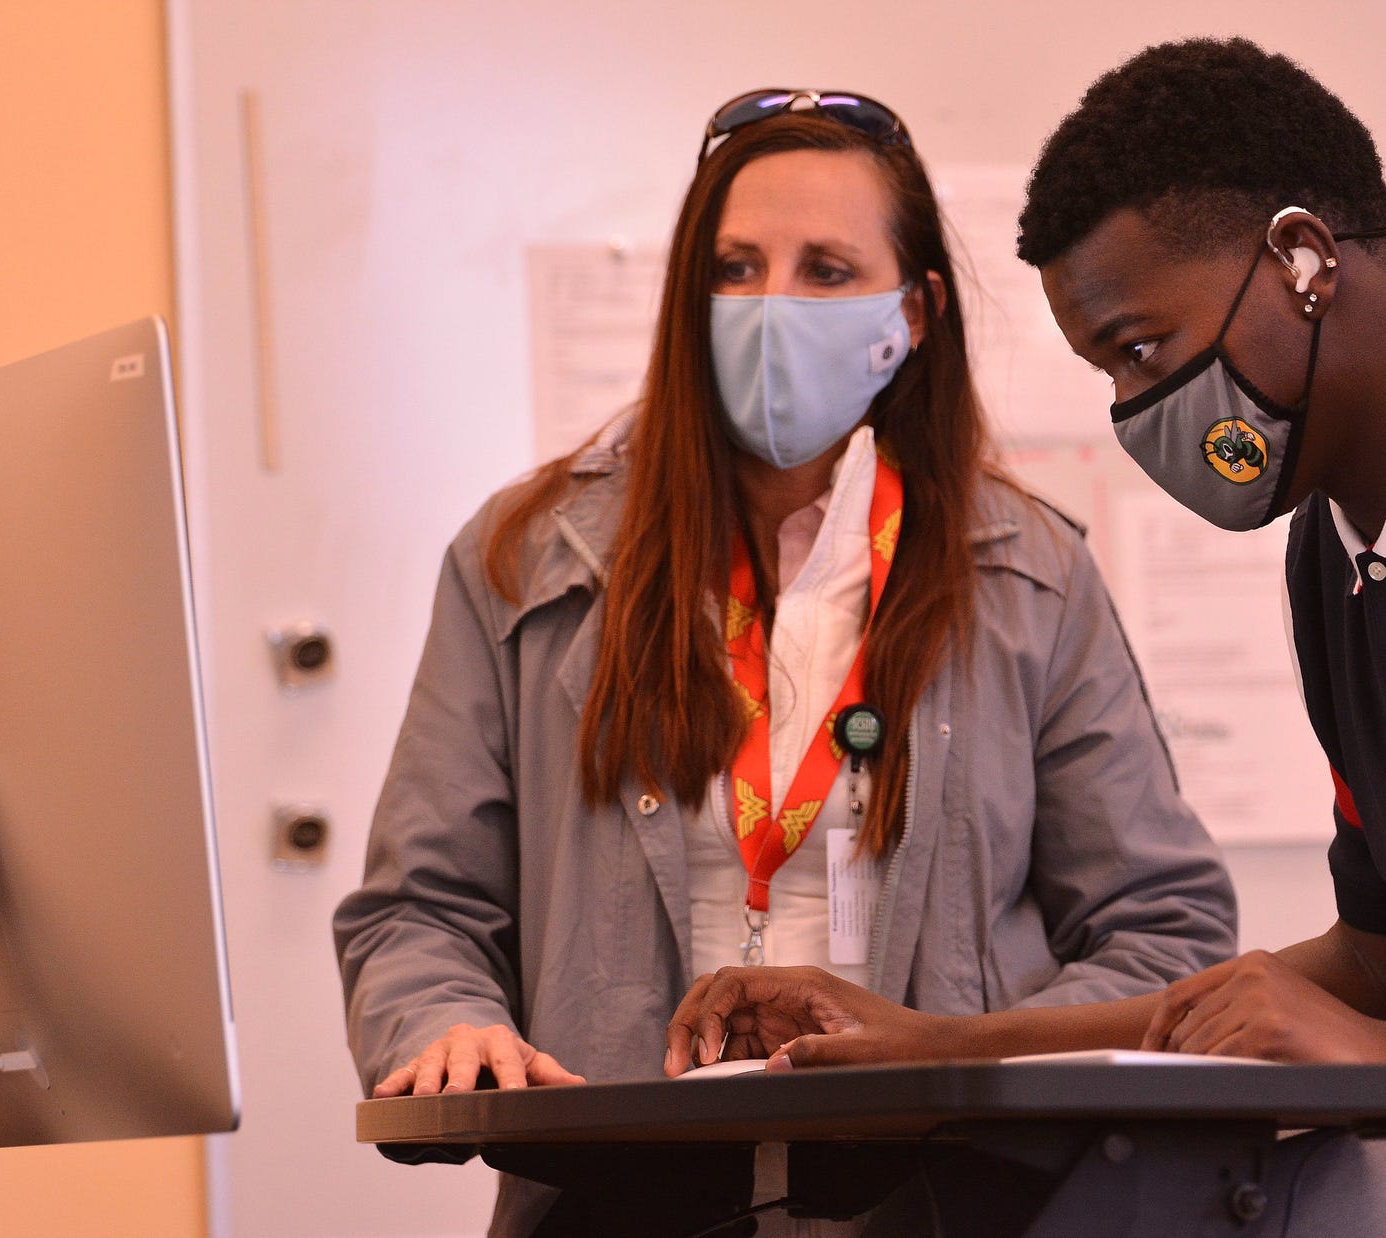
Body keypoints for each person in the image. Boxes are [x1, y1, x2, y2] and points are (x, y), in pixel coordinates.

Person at [667, 41, 1386, 1234]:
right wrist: (944, 1045)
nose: (1136, 414)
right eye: (1107, 377)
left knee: (1298, 1213)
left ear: (1299, 257)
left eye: (1142, 351)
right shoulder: (1332, 550)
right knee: (1041, 1187)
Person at [333, 88, 1237, 1234]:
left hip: (952, 1195)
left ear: (913, 312)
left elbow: (1164, 927)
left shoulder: (1031, 575)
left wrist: (971, 1056)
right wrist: (443, 1023)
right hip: (617, 1198)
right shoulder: (521, 561)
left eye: (823, 270)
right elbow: (418, 906)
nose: (770, 308)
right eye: (733, 266)